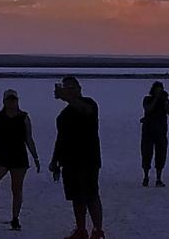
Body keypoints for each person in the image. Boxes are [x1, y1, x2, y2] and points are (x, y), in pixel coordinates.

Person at [0, 89, 41, 231]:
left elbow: (29, 139)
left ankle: (15, 218)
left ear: (17, 101)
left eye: (14, 100)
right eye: (9, 100)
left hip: (19, 157)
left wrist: (35, 157)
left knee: (16, 189)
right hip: (1, 156)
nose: (11, 102)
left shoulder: (24, 117)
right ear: (4, 101)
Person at [48, 76, 104, 239]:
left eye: (71, 88)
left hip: (88, 159)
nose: (69, 91)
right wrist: (54, 160)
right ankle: (81, 229)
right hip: (69, 160)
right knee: (76, 197)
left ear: (79, 88)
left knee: (91, 194)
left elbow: (86, 110)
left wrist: (67, 97)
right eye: (66, 88)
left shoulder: (89, 103)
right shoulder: (64, 115)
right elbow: (61, 139)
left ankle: (97, 230)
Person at [141, 81, 169, 187]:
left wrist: (165, 101)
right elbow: (148, 109)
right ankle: (146, 176)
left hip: (161, 132)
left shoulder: (164, 100)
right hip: (148, 131)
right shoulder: (147, 99)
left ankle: (159, 178)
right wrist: (155, 99)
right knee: (146, 155)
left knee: (161, 155)